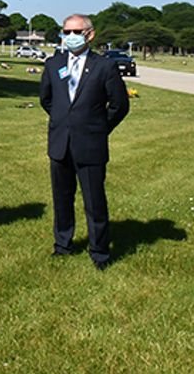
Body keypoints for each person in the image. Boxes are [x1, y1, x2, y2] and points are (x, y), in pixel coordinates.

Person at [39, 14, 129, 269]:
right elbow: (47, 99)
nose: (70, 37)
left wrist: (99, 128)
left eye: (75, 31)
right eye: (65, 32)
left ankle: (99, 252)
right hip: (60, 143)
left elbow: (120, 105)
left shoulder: (104, 66)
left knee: (94, 200)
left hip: (90, 145)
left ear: (90, 34)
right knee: (62, 198)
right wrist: (64, 122)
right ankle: (63, 245)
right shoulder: (53, 63)